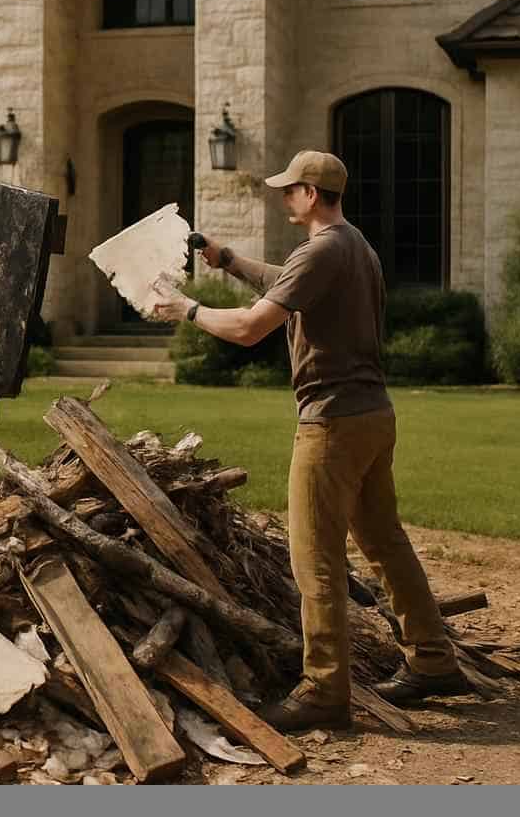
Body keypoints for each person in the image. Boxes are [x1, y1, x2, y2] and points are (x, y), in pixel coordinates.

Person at [152, 149, 467, 732]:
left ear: (311, 195)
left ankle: (325, 690)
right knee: (384, 542)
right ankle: (433, 659)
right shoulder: (354, 246)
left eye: (288, 190)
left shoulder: (322, 249)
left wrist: (187, 309)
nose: (283, 198)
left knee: (314, 559)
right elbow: (283, 281)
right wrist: (224, 258)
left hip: (332, 423)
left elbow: (249, 328)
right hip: (373, 416)